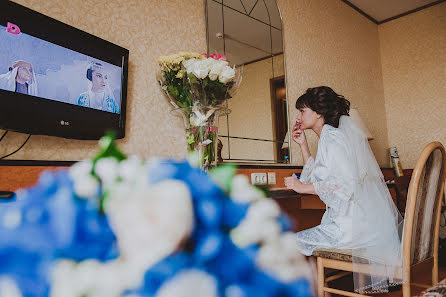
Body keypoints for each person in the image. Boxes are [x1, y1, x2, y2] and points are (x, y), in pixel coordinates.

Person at [284, 86, 404, 294]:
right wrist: (303, 146)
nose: (298, 116)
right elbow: (322, 176)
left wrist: (303, 187)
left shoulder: (332, 138)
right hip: (357, 223)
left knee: (289, 242)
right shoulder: (330, 137)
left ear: (319, 112)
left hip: (351, 228)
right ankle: (322, 289)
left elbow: (345, 185)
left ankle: (318, 291)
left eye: (302, 111)